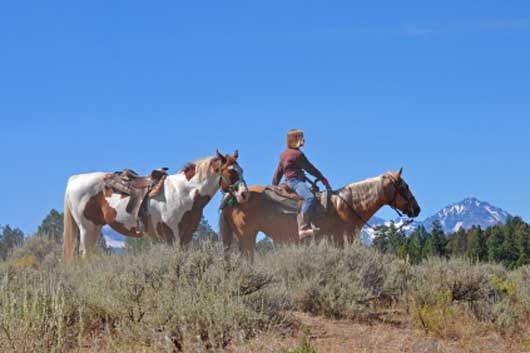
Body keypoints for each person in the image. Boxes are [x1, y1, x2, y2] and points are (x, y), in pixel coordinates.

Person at [272, 129, 331, 239]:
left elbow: (279, 171)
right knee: (309, 197)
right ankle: (303, 228)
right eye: (301, 137)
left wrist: (274, 185)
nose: (304, 140)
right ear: (295, 139)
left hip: (288, 182)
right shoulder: (297, 154)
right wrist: (322, 178)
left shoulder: (283, 154)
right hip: (296, 182)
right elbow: (310, 168)